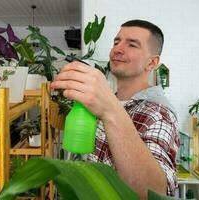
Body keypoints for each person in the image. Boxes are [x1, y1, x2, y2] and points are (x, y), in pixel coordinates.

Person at [51, 19, 179, 199]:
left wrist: (111, 110)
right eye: (116, 42)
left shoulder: (159, 113)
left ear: (151, 63)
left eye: (132, 45)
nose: (117, 49)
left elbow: (154, 194)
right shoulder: (106, 101)